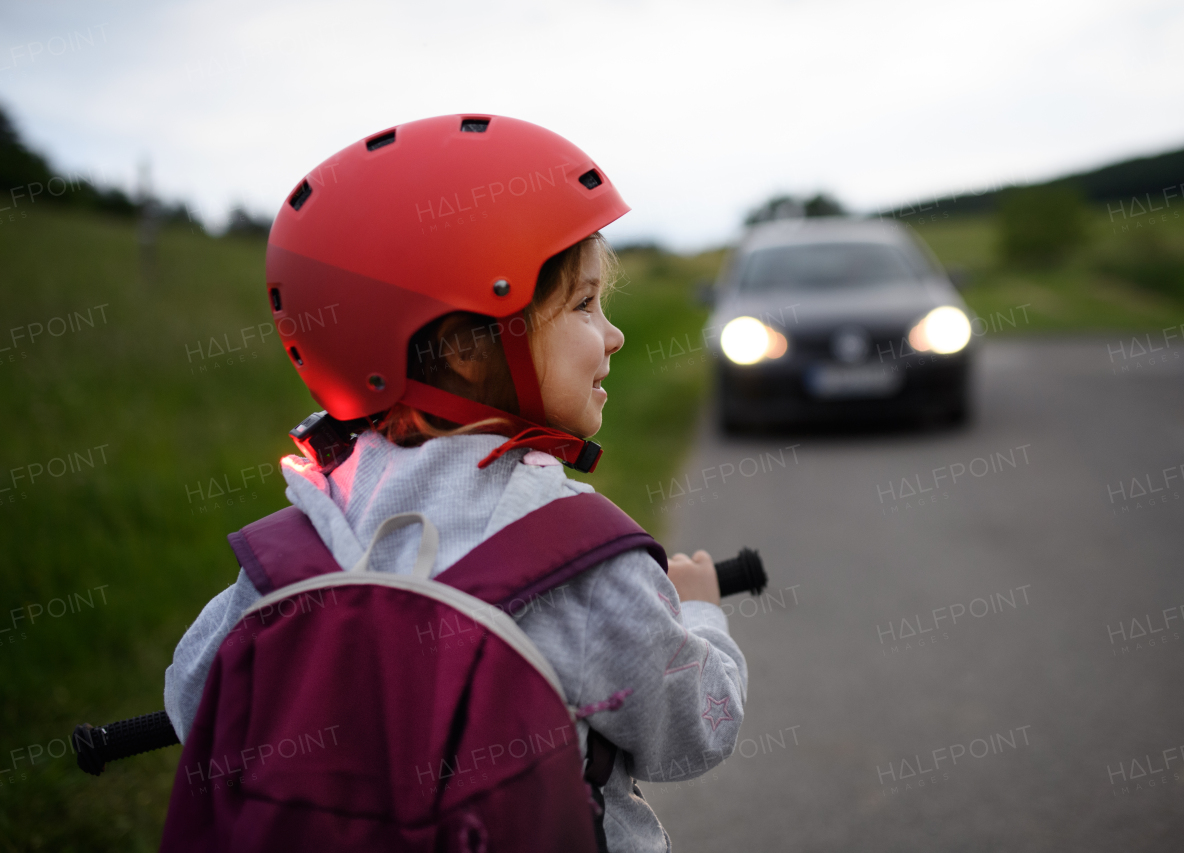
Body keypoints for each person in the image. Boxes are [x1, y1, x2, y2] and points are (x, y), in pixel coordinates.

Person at [163, 114, 747, 852]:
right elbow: (694, 728)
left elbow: (190, 702)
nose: (614, 333)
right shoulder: (581, 559)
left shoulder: (297, 548)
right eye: (583, 304)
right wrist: (700, 618)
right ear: (468, 351)